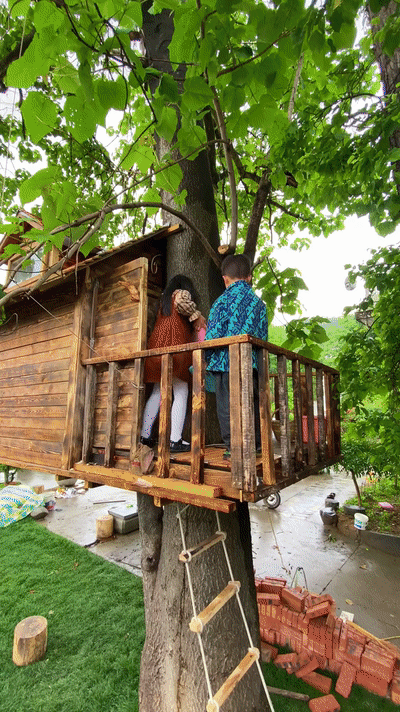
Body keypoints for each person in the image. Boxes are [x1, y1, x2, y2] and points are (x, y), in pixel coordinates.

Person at [204, 254, 267, 458]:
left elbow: (212, 337)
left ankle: (234, 447)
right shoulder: (260, 305)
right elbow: (263, 339)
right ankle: (255, 445)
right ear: (249, 277)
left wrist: (205, 357)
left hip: (225, 363)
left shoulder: (220, 303)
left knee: (227, 406)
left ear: (225, 279)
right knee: (252, 403)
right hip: (251, 364)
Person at [140, 275, 206, 454]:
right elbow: (186, 306)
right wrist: (198, 315)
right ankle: (175, 439)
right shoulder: (180, 294)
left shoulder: (163, 301)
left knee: (157, 392)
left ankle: (145, 436)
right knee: (181, 391)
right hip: (174, 351)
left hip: (155, 352)